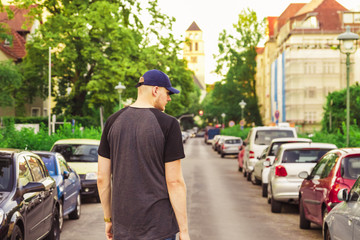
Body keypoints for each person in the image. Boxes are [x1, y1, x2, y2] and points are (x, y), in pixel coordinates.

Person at [97, 69, 190, 240]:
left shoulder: (112, 122)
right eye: (167, 92)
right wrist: (184, 231)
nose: (169, 98)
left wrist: (108, 219)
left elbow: (102, 178)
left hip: (123, 229)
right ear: (156, 90)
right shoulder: (169, 124)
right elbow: (174, 181)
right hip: (159, 229)